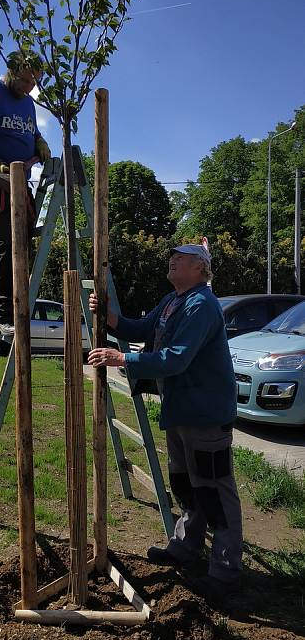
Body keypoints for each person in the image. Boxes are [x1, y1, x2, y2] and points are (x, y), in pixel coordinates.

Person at [88, 244, 243, 601]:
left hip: (204, 414)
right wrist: (111, 317)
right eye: (172, 256)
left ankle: (224, 573)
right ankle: (185, 548)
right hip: (182, 411)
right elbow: (142, 328)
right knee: (187, 485)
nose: (172, 259)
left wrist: (121, 357)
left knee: (215, 491)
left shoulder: (202, 304)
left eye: (182, 257)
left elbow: (176, 359)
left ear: (200, 268)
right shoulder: (174, 299)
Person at [0, 51, 51, 335]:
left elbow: (31, 132)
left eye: (34, 82)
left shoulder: (28, 104)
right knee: (5, 246)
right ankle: (4, 315)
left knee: (23, 247)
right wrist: (0, 165)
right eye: (25, 80)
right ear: (11, 70)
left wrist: (40, 142)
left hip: (20, 182)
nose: (29, 87)